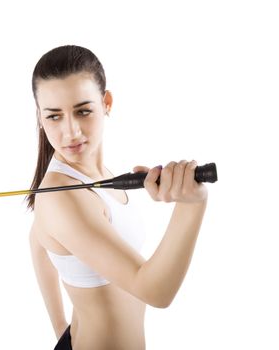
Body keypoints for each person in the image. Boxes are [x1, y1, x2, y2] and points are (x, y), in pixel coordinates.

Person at [25, 45, 208, 350]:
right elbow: (154, 291)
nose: (70, 131)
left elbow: (37, 242)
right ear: (40, 118)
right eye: (54, 117)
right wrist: (191, 206)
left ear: (106, 102)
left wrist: (61, 330)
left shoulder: (95, 177)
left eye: (83, 111)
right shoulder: (60, 197)